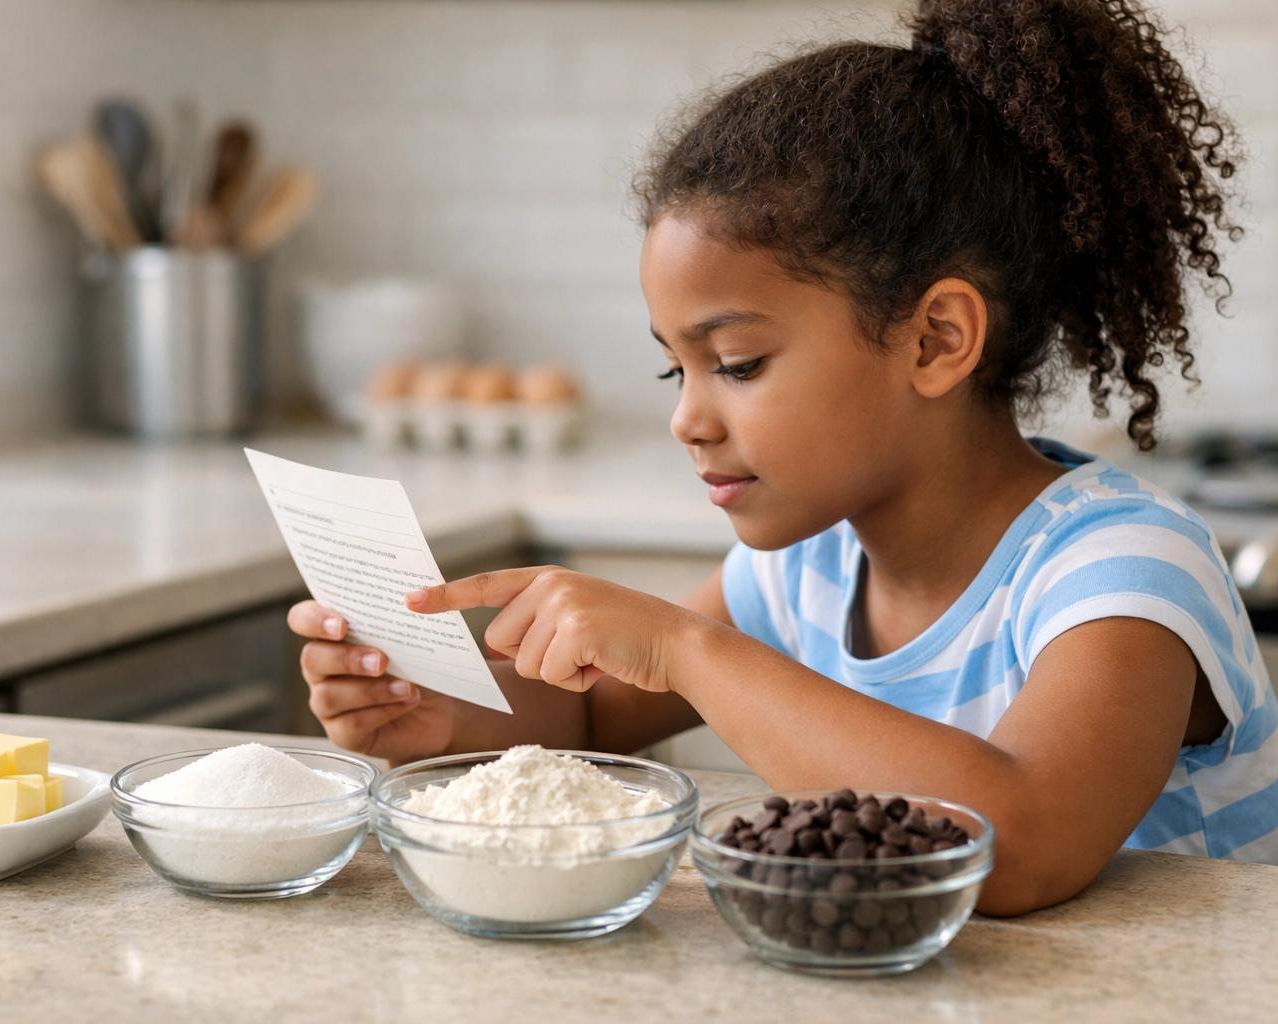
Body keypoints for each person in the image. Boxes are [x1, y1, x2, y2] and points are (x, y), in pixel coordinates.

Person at [288, 0, 1273, 915]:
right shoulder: (802, 568)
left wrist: (687, 647)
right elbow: (585, 726)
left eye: (738, 364)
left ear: (935, 341)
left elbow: (1014, 844)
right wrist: (438, 714)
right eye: (679, 371)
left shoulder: (1124, 573)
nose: (689, 419)